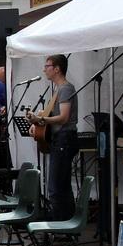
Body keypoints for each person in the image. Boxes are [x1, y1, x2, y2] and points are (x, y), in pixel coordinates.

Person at [29, 54, 79, 220]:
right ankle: (66, 221)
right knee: (61, 184)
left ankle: (60, 223)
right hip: (61, 138)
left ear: (57, 69)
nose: (44, 70)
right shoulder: (58, 89)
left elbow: (64, 118)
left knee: (56, 186)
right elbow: (51, 115)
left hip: (65, 138)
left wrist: (41, 119)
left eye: (47, 66)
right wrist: (37, 122)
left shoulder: (65, 89)